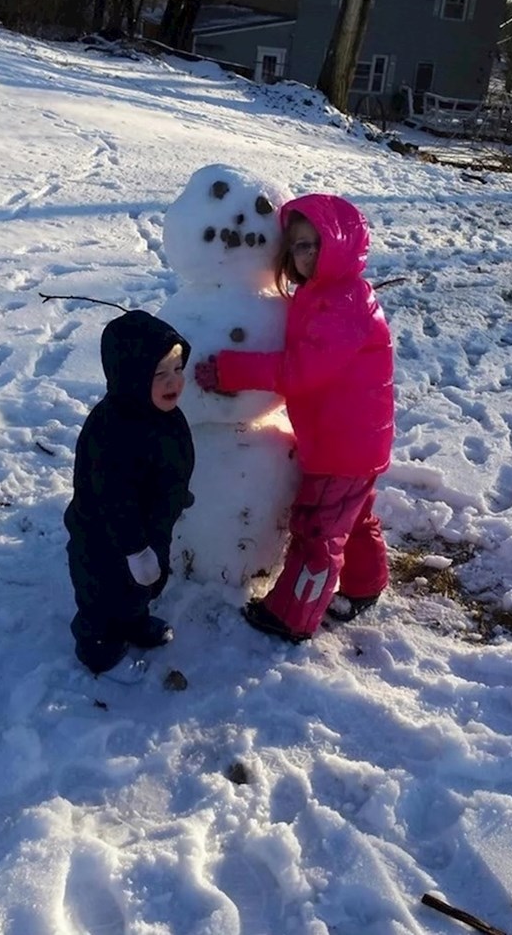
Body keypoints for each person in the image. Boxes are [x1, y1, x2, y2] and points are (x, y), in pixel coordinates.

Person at [195, 194, 394, 643]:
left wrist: (231, 369)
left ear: (342, 243)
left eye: (316, 243)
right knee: (354, 517)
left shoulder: (343, 302)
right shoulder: (329, 295)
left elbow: (300, 370)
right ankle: (366, 582)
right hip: (351, 440)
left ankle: (292, 616)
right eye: (299, 246)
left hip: (341, 446)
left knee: (318, 532)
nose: (306, 255)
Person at [64, 310, 195, 674]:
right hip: (106, 538)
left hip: (152, 527)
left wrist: (176, 496)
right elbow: (112, 498)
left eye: (178, 368)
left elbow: (173, 462)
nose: (174, 382)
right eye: (160, 374)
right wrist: (135, 550)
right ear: (132, 376)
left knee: (143, 587)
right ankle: (96, 642)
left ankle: (133, 620)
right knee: (104, 592)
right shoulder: (111, 431)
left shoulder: (164, 414)